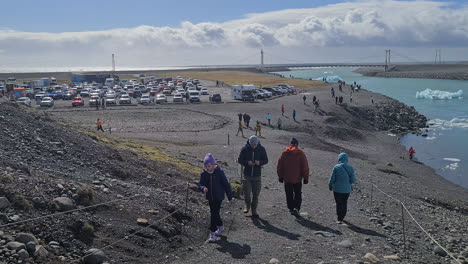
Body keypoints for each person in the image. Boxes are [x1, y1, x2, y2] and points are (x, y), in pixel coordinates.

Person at [199, 153, 233, 243]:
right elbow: (201, 184)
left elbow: (226, 184)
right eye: (205, 166)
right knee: (214, 213)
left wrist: (230, 196)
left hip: (219, 197)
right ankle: (221, 226)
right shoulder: (204, 174)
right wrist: (203, 188)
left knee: (214, 214)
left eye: (208, 166)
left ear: (213, 165)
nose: (207, 167)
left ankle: (212, 233)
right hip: (210, 196)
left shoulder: (219, 172)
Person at [238, 135, 268, 218]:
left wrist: (260, 162)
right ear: (249, 143)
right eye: (252, 144)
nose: (253, 146)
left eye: (255, 144)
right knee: (247, 193)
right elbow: (240, 160)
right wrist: (247, 162)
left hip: (257, 175)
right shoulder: (245, 149)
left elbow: (266, 160)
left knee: (256, 194)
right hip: (247, 175)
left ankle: (254, 211)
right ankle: (247, 205)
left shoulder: (262, 149)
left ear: (257, 143)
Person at [277, 138, 309, 215]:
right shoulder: (300, 153)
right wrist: (306, 178)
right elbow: (305, 166)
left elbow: (280, 166)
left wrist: (280, 176)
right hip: (297, 178)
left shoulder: (284, 153)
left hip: (287, 178)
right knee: (298, 193)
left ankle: (291, 208)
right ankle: (297, 208)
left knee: (289, 193)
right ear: (297, 144)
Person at [328, 153, 356, 225]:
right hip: (347, 190)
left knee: (338, 203)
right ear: (347, 159)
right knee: (344, 203)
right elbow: (353, 180)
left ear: (339, 159)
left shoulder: (336, 167)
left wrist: (330, 185)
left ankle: (339, 218)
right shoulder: (350, 168)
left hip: (337, 189)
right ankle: (342, 216)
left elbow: (332, 178)